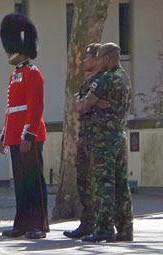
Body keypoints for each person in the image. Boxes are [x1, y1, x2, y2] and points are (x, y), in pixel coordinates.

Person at [0, 13, 48, 239]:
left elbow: (35, 107)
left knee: (33, 181)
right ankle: (23, 223)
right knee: (20, 183)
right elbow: (12, 109)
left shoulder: (32, 73)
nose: (8, 52)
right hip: (16, 136)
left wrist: (29, 134)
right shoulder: (15, 75)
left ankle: (38, 224)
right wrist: (5, 134)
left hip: (30, 136)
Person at [81, 42, 133, 242]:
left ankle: (104, 229)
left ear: (107, 59)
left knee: (103, 184)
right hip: (120, 135)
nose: (99, 62)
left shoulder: (106, 79)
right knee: (121, 184)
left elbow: (85, 104)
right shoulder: (125, 78)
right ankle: (125, 228)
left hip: (104, 138)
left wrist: (90, 101)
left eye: (101, 58)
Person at [63, 43, 107, 239]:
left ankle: (102, 224)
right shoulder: (88, 82)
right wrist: (80, 104)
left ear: (96, 60)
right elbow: (77, 104)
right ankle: (87, 223)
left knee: (97, 183)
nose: (84, 61)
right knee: (83, 181)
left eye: (87, 57)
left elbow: (82, 106)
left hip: (97, 138)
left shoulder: (101, 81)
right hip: (86, 136)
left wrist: (81, 103)